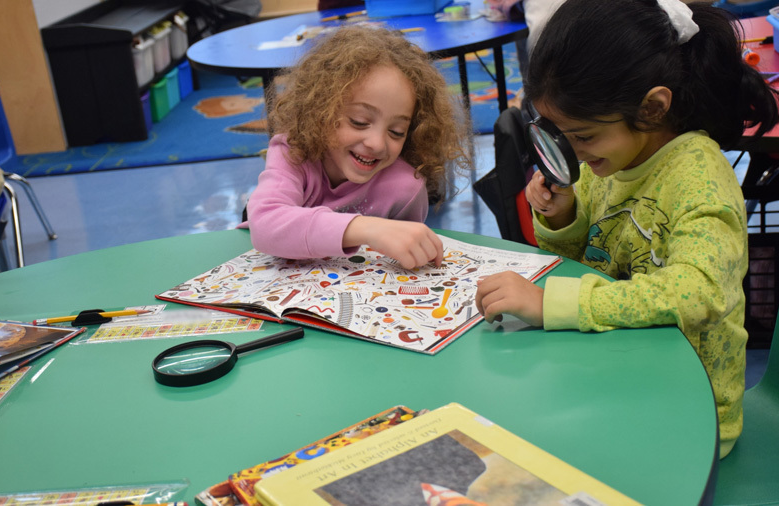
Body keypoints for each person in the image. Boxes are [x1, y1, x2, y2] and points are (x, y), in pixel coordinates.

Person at [474, 0, 779, 458]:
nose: (574, 156)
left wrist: (549, 302)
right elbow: (586, 262)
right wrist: (564, 217)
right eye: (561, 135)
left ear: (653, 108)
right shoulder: (610, 161)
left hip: (687, 413)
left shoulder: (699, 177)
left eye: (584, 136)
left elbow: (699, 293)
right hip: (612, 369)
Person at [240, 25, 473, 270]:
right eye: (359, 122)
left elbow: (405, 266)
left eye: (396, 132)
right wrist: (366, 228)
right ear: (321, 110)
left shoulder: (406, 190)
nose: (377, 143)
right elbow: (265, 225)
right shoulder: (294, 152)